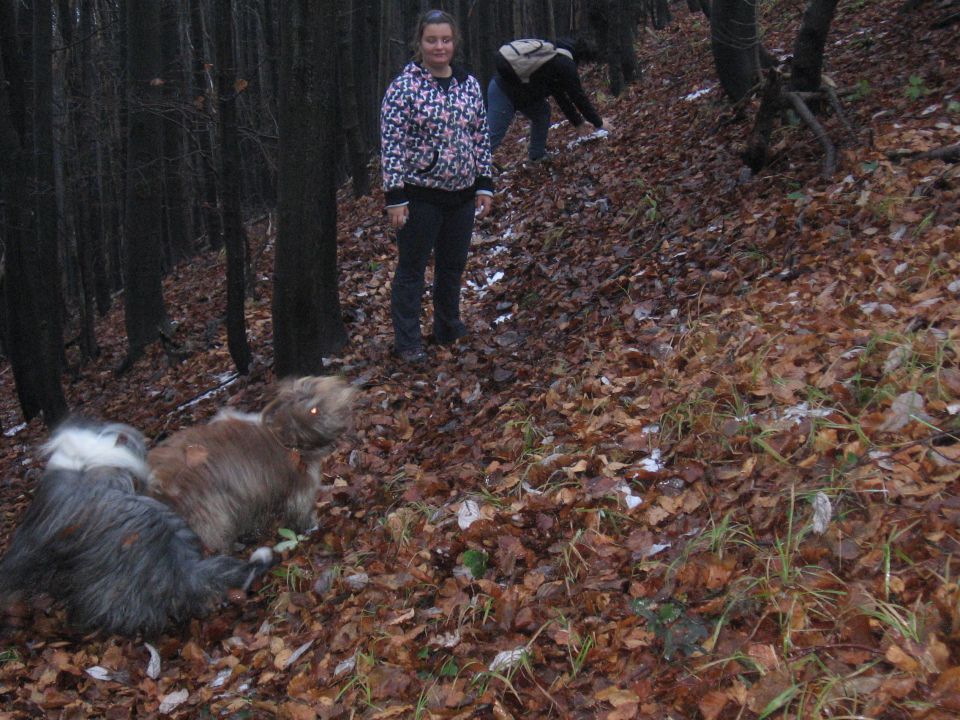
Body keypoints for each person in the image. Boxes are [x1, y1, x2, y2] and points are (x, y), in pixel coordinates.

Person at [380, 9, 494, 365]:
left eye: (445, 40)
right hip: (420, 195)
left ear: (454, 42)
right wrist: (395, 196)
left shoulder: (468, 84)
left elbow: (479, 135)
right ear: (420, 43)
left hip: (461, 196)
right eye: (432, 40)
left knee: (452, 266)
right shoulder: (404, 87)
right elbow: (392, 142)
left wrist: (484, 183)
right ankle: (408, 342)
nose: (439, 47)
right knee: (412, 269)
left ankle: (447, 325)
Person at [487, 38, 606, 162]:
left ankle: (537, 155)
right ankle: (471, 166)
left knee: (542, 111)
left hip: (520, 94)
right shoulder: (565, 64)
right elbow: (578, 97)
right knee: (492, 137)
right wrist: (599, 123)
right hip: (503, 92)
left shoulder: (555, 58)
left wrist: (579, 123)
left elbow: (561, 97)